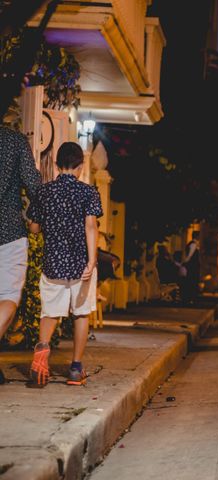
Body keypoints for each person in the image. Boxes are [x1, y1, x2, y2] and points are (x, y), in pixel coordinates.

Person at [26, 142, 103, 387]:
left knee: (50, 313)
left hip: (53, 264)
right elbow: (90, 226)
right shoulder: (88, 192)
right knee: (80, 314)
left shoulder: (44, 192)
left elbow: (34, 228)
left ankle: (41, 357)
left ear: (57, 165)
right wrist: (91, 261)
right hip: (81, 265)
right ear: (80, 166)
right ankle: (75, 369)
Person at [0, 126, 41, 384]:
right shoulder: (14, 140)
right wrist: (35, 219)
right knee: (9, 297)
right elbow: (34, 184)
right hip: (9, 232)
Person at [182, 231, 201, 304]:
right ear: (196, 236)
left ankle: (191, 297)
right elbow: (190, 255)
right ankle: (191, 298)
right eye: (198, 236)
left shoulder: (194, 244)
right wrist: (185, 262)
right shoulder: (193, 244)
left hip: (193, 266)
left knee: (192, 281)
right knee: (192, 281)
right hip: (193, 266)